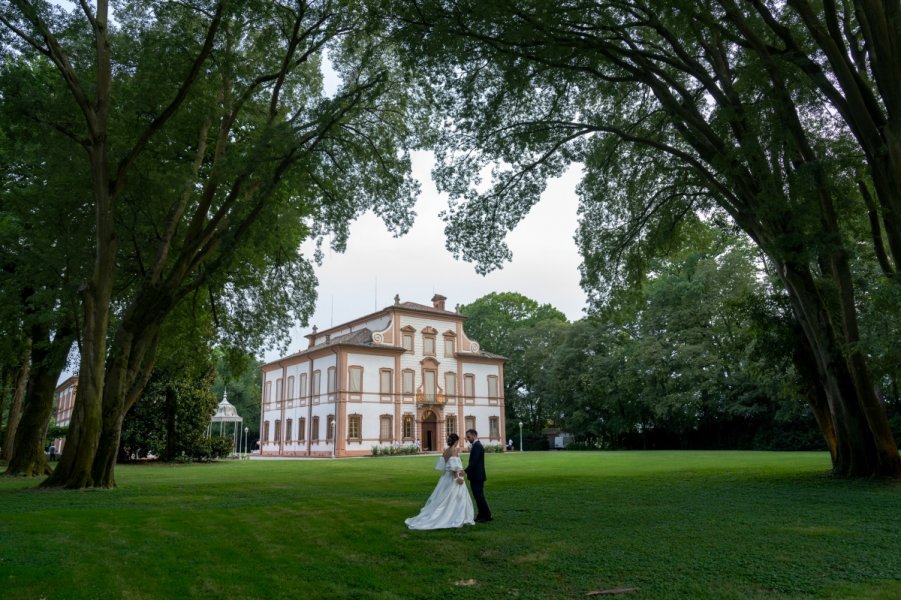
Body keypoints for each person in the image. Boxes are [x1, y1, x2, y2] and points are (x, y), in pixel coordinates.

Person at [405, 433, 475, 530]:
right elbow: (453, 467)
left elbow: (443, 466)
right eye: (458, 441)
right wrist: (457, 478)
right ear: (455, 441)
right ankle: (453, 515)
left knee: (442, 497)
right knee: (455, 497)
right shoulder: (454, 450)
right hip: (452, 477)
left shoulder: (446, 451)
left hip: (445, 477)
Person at [465, 429, 493, 522]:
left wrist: (465, 471)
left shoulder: (477, 446)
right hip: (476, 475)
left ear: (474, 435)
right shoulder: (476, 445)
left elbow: (474, 462)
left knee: (479, 496)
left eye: (468, 437)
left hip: (477, 476)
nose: (467, 438)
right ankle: (483, 514)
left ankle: (486, 515)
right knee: (478, 496)